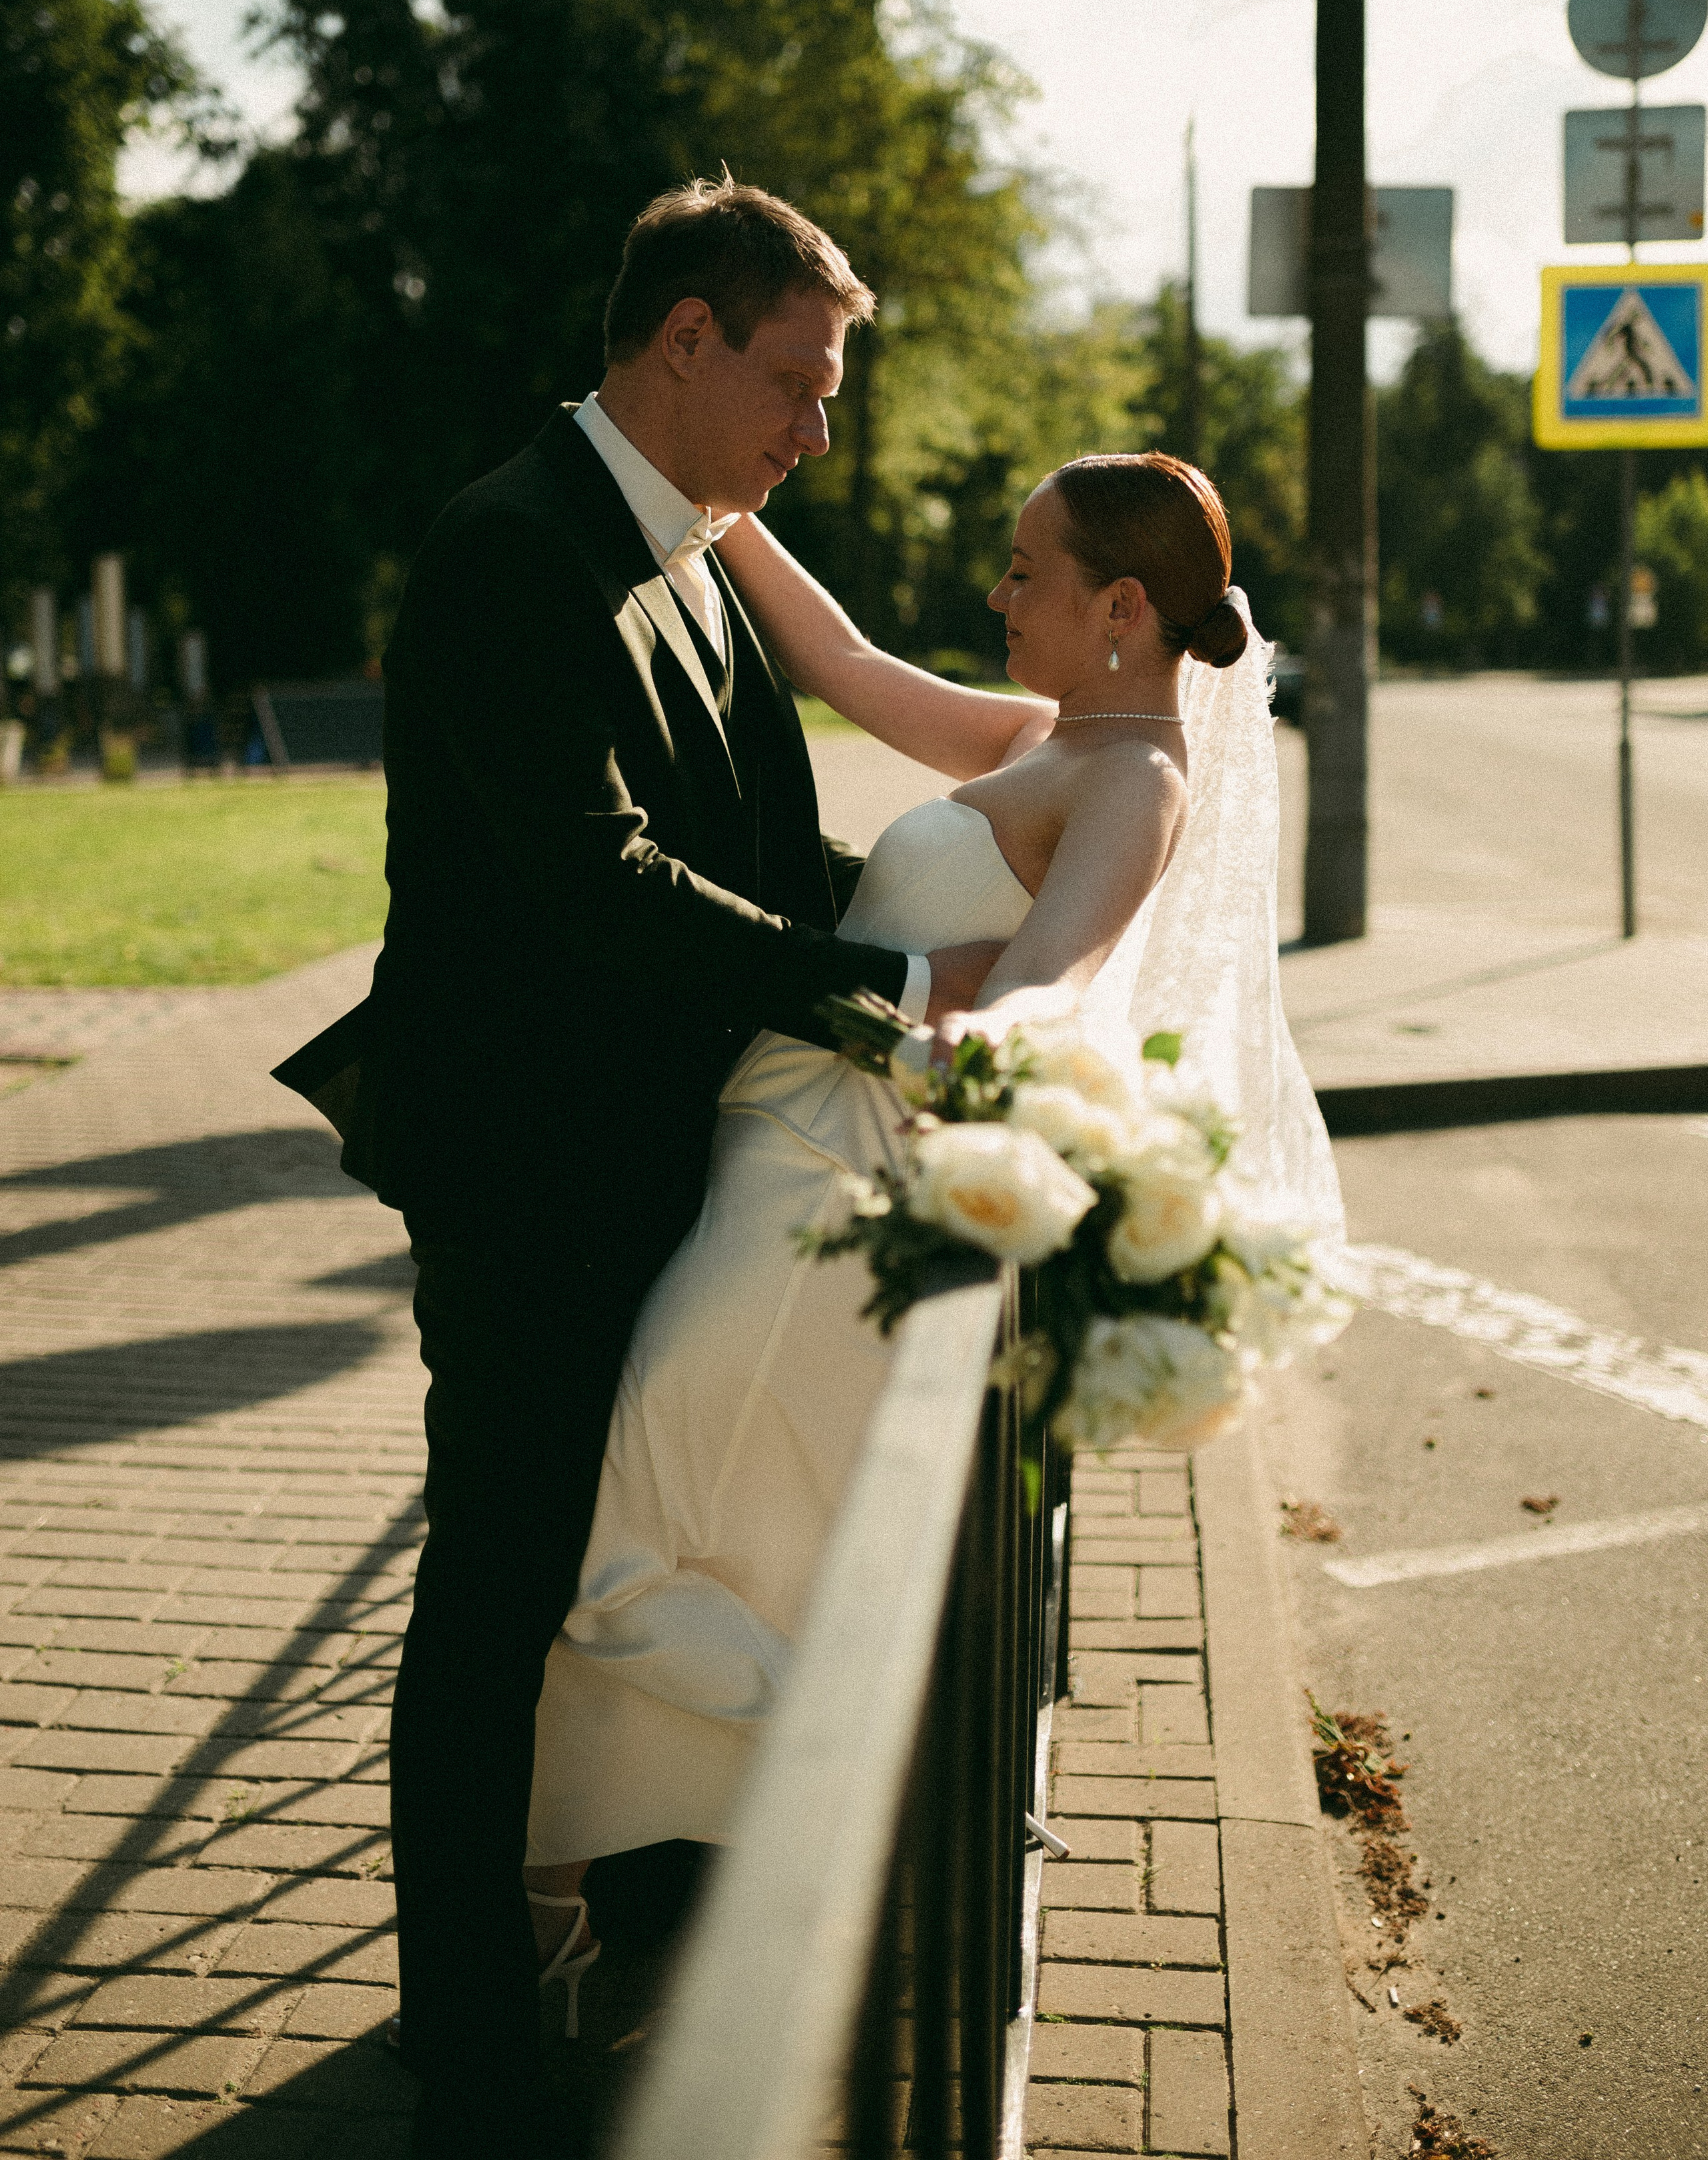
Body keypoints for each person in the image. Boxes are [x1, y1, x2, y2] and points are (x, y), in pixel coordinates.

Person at [272, 177, 1005, 2156]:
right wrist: (878, 983)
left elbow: (762, 851)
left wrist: (952, 961)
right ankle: (468, 2037)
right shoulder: (511, 545)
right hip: (525, 1163)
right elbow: (597, 876)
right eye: (796, 378)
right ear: (683, 337)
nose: (816, 429)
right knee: (498, 1580)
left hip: (661, 1143)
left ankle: (636, 1897)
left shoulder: (692, 550)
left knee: (608, 1547)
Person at [520, 446, 1338, 1938]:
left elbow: (1049, 983)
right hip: (777, 1137)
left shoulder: (1134, 782)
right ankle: (588, 1877)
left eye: (1025, 569)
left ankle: (633, 1862)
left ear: (1121, 608)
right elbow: (839, 661)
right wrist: (711, 499)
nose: (996, 588)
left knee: (652, 1487)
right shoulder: (1044, 728)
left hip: (837, 1193)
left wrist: (966, 1023)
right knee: (696, 1507)